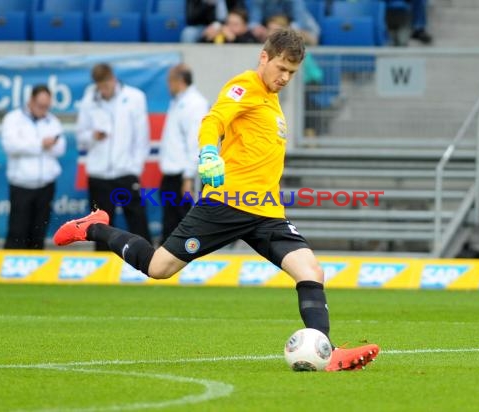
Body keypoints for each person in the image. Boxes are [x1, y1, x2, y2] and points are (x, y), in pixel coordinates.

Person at [54, 29, 379, 371]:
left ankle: (324, 352)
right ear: (264, 58)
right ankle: (94, 228)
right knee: (158, 268)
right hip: (226, 205)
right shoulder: (245, 87)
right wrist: (209, 152)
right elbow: (214, 120)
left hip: (266, 211)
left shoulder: (271, 99)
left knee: (310, 270)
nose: (285, 78)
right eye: (281, 68)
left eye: (292, 73)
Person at [76, 63, 152, 251]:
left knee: (137, 220)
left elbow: (142, 137)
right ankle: (102, 267)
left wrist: (134, 168)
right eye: (100, 86)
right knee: (100, 227)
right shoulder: (89, 101)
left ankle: (147, 261)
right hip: (99, 174)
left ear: (113, 79)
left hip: (126, 171)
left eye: (106, 85)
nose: (104, 90)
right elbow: (80, 137)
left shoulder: (134, 98)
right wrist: (93, 136)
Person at [1, 85, 66, 249]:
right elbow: (11, 146)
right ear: (30, 100)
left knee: (39, 232)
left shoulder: (52, 121)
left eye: (47, 106)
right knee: (17, 231)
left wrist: (50, 145)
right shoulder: (13, 118)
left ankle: (35, 271)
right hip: (21, 184)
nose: (44, 110)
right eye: (40, 106)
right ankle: (10, 271)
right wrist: (40, 144)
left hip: (46, 185)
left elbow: (61, 148)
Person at [159, 63, 209, 243]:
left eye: (169, 81)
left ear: (179, 80)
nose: (168, 86)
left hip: (183, 177)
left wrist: (188, 178)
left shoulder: (194, 104)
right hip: (172, 175)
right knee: (170, 225)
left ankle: (186, 264)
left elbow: (195, 142)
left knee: (185, 225)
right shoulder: (178, 101)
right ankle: (165, 267)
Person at [248, 0, 320, 46]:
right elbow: (253, 23)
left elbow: (299, 21)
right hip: (272, 26)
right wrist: (259, 29)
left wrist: (285, 30)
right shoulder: (259, 1)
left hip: (296, 28)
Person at [181, 0, 246, 43]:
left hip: (229, 25)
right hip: (206, 25)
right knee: (189, 33)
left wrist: (224, 27)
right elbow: (191, 18)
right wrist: (207, 4)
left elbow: (241, 13)